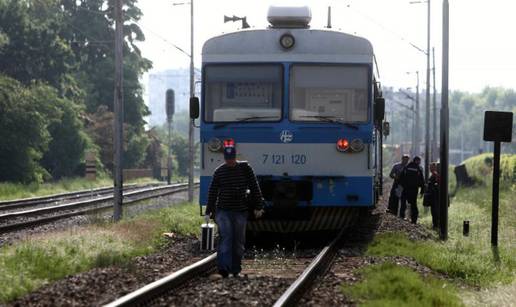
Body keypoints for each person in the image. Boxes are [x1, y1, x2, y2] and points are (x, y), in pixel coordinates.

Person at [205, 143, 264, 278]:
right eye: (227, 159)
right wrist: (208, 211)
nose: (230, 161)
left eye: (232, 158)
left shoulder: (245, 169)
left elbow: (255, 188)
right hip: (223, 211)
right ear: (224, 158)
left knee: (238, 241)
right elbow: (213, 192)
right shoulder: (219, 172)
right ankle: (223, 269)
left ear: (235, 157)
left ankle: (236, 268)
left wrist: (259, 206)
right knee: (226, 238)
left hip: (240, 211)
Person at [398, 156, 425, 224]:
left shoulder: (407, 167)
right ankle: (414, 220)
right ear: (417, 161)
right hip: (414, 189)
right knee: (413, 204)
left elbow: (401, 177)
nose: (419, 163)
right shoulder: (418, 169)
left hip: (405, 188)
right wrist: (422, 191)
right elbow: (422, 181)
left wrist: (400, 188)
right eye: (419, 161)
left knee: (403, 203)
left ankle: (401, 217)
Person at [425, 162, 440, 229]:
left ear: (435, 167)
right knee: (434, 211)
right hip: (434, 196)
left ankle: (436, 225)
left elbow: (436, 185)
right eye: (430, 167)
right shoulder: (434, 175)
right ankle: (436, 224)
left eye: (431, 167)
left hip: (435, 196)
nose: (430, 168)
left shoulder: (435, 175)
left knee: (434, 211)